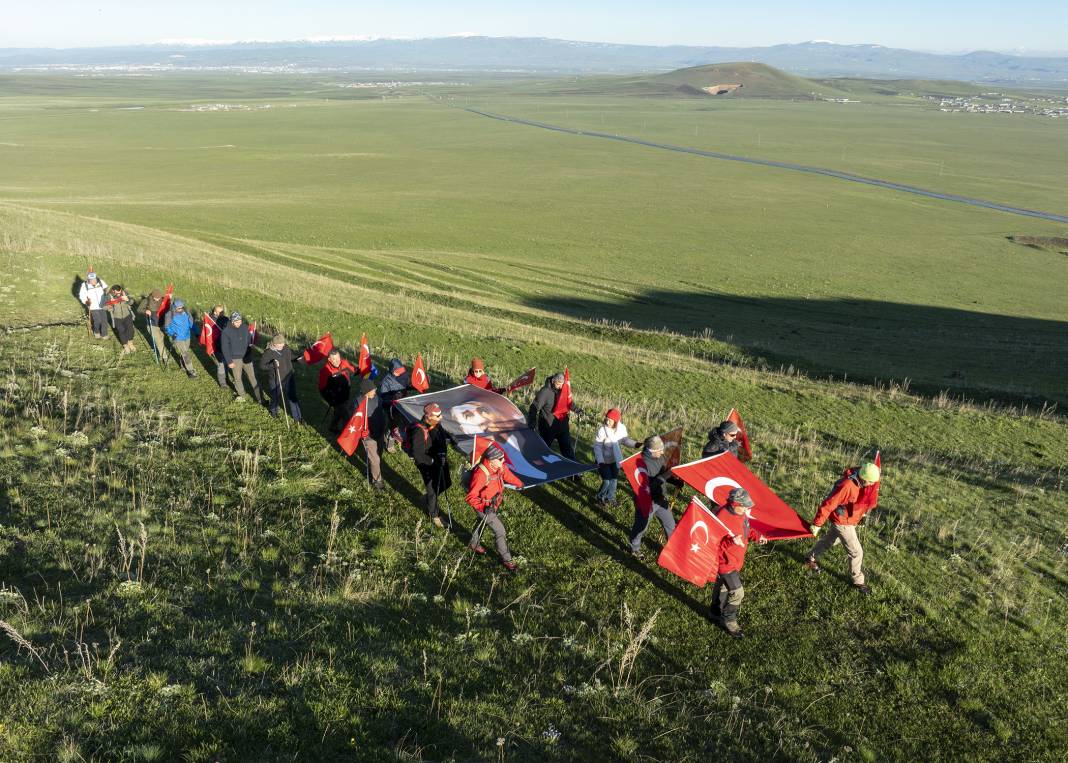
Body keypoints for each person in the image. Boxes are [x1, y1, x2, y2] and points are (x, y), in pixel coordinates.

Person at [804, 462, 881, 595]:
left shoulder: (862, 482)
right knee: (857, 552)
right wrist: (817, 524)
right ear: (864, 478)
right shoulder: (847, 486)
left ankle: (809, 558)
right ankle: (858, 581)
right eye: (871, 482)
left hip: (849, 520)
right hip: (843, 522)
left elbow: (860, 502)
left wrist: (860, 516)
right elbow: (829, 503)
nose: (872, 485)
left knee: (830, 541)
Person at [709, 488, 767, 639]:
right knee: (737, 592)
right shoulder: (721, 517)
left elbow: (745, 529)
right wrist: (730, 541)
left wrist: (757, 536)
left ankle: (715, 611)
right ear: (735, 504)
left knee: (722, 586)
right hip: (725, 564)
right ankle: (729, 620)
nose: (748, 508)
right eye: (745, 505)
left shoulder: (741, 514)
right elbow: (713, 544)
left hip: (736, 561)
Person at [466, 443, 524, 571]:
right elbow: (471, 497)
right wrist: (482, 507)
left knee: (481, 522)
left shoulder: (499, 467)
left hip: (493, 504)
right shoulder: (480, 474)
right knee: (500, 530)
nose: (503, 461)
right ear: (492, 460)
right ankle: (507, 559)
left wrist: (520, 484)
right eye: (501, 459)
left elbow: (507, 475)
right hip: (485, 507)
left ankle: (473, 544)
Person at [627, 436, 681, 559]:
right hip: (646, 501)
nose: (662, 452)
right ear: (651, 451)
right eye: (659, 450)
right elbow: (647, 486)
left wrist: (674, 480)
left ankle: (673, 550)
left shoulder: (660, 457)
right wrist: (666, 476)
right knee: (641, 526)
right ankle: (634, 547)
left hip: (660, 498)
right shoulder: (640, 463)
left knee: (670, 524)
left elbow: (663, 472)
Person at [408, 402, 452, 529]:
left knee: (446, 483)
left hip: (440, 460)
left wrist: (450, 438)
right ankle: (434, 515)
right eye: (438, 416)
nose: (441, 417)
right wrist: (433, 462)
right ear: (429, 417)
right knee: (433, 490)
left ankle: (427, 498)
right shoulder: (419, 431)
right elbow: (418, 454)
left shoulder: (436, 424)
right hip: (427, 464)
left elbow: (441, 434)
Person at [529, 372, 581, 461]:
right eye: (558, 384)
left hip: (562, 426)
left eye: (562, 384)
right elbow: (534, 407)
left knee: (567, 450)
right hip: (547, 427)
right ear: (553, 381)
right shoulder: (545, 392)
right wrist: (532, 421)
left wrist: (578, 410)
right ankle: (537, 468)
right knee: (543, 450)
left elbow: (569, 403)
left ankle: (573, 473)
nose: (560, 387)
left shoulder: (564, 390)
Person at [593, 408, 638, 506]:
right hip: (603, 461)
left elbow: (625, 440)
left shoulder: (621, 429)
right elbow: (597, 447)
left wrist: (635, 444)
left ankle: (610, 498)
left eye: (610, 419)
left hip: (615, 460)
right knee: (607, 481)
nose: (607, 421)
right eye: (606, 418)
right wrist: (600, 461)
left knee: (614, 480)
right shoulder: (602, 430)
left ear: (616, 422)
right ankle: (600, 497)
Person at [259, 333, 302, 422]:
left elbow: (291, 356)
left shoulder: (286, 348)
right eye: (279, 344)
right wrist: (273, 365)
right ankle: (273, 412)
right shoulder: (268, 352)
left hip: (289, 376)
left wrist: (298, 358)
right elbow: (262, 366)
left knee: (292, 396)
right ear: (274, 343)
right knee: (275, 396)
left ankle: (298, 418)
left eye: (282, 343)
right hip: (276, 378)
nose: (281, 346)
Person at [220, 311, 262, 403]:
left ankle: (260, 398)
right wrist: (229, 361)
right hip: (234, 359)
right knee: (237, 378)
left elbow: (248, 340)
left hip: (246, 357)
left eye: (240, 321)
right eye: (236, 322)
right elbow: (225, 347)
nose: (239, 323)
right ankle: (242, 394)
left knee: (252, 377)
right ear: (232, 321)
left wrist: (249, 351)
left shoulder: (245, 327)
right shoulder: (226, 331)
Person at [319, 348, 356, 433]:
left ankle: (332, 427)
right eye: (334, 359)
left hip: (346, 393)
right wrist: (331, 400)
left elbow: (353, 371)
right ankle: (346, 436)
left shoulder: (344, 363)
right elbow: (322, 388)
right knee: (346, 415)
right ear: (329, 359)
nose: (337, 361)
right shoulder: (325, 371)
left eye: (338, 358)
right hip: (335, 398)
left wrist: (362, 369)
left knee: (339, 412)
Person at [378, 358, 412, 449]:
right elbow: (383, 397)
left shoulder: (404, 376)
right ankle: (390, 443)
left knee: (404, 422)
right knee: (392, 425)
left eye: (401, 371)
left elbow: (408, 386)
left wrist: (415, 386)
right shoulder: (386, 382)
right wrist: (393, 399)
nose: (400, 373)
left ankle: (402, 438)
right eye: (397, 371)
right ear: (392, 371)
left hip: (402, 404)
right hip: (391, 407)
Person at [164, 299, 198, 378]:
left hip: (187, 336)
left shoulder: (186, 312)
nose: (181, 309)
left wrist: (197, 333)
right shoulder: (169, 314)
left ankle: (183, 366)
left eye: (182, 307)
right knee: (185, 354)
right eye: (179, 308)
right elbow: (167, 327)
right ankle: (191, 371)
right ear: (174, 307)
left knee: (185, 352)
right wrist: (172, 334)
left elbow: (191, 323)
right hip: (178, 337)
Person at [137, 288, 168, 364]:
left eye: (159, 298)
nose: (158, 299)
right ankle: (164, 357)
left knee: (161, 337)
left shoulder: (163, 299)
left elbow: (168, 306)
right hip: (152, 324)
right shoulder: (146, 301)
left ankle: (162, 353)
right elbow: (139, 310)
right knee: (158, 340)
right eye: (156, 298)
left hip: (161, 323)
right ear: (152, 296)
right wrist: (145, 311)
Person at [201, 305, 229, 388]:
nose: (222, 313)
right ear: (215, 312)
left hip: (226, 345)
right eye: (220, 312)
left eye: (223, 311)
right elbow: (208, 332)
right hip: (216, 346)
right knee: (221, 364)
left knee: (226, 363)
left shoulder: (226, 319)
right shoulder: (210, 320)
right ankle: (222, 382)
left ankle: (226, 377)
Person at [105, 284, 136, 354]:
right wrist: (110, 306)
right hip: (117, 317)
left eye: (120, 292)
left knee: (130, 330)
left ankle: (130, 343)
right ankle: (125, 346)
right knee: (121, 331)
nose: (119, 294)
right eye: (117, 293)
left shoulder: (125, 293)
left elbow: (132, 302)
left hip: (127, 315)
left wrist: (128, 300)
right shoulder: (108, 296)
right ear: (113, 291)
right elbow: (104, 306)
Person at [79, 272, 110, 340]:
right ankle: (96, 332)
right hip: (93, 306)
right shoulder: (84, 285)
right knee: (97, 320)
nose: (94, 281)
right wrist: (86, 302)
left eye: (94, 279)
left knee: (104, 320)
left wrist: (107, 294)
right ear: (88, 279)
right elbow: (82, 296)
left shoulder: (100, 282)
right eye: (91, 280)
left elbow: (106, 289)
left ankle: (104, 334)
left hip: (102, 305)